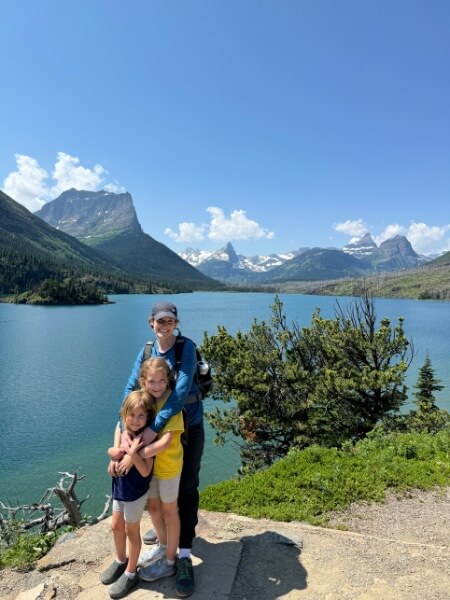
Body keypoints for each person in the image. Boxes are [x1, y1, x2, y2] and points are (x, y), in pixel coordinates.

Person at [115, 300, 203, 597]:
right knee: (156, 494)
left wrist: (152, 429)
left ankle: (184, 555)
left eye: (170, 321)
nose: (165, 326)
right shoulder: (147, 351)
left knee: (186, 488)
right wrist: (126, 427)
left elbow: (178, 394)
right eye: (160, 321)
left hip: (186, 428)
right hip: (149, 435)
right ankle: (166, 539)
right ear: (151, 322)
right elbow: (130, 389)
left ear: (176, 323)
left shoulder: (185, 348)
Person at [101, 390, 154, 599]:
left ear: (148, 417)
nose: (135, 420)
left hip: (135, 492)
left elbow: (145, 471)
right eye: (131, 415)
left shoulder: (146, 439)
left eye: (141, 416)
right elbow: (117, 434)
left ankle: (131, 573)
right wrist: (112, 458)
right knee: (115, 526)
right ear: (124, 416)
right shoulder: (124, 432)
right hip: (119, 488)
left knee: (132, 532)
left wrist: (133, 454)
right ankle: (121, 561)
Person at [136, 357, 184, 582]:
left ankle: (170, 561)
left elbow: (165, 443)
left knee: (169, 512)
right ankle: (162, 546)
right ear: (143, 381)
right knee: (153, 509)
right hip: (151, 469)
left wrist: (135, 456)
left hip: (168, 468)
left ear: (168, 381)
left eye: (161, 381)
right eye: (152, 381)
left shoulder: (172, 405)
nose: (156, 386)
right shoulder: (144, 403)